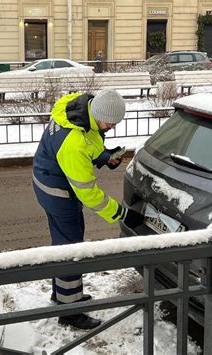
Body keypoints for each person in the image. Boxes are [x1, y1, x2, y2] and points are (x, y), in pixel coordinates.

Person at [32, 89, 144, 330]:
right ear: (98, 113)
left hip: (47, 180)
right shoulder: (74, 143)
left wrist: (103, 156)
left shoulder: (78, 109)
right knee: (71, 251)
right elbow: (89, 194)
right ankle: (70, 312)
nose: (112, 128)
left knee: (64, 245)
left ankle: (61, 296)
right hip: (58, 193)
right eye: (110, 123)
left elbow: (89, 138)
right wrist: (121, 214)